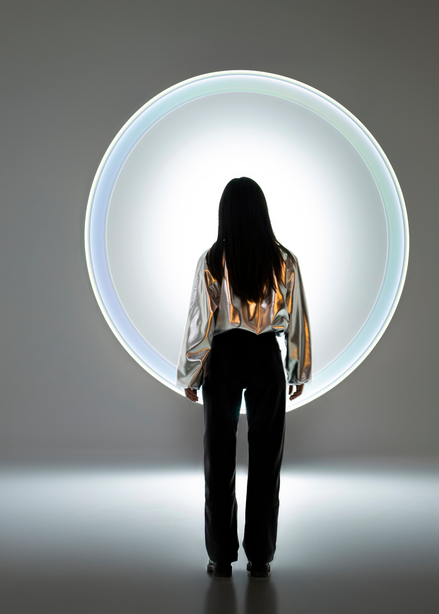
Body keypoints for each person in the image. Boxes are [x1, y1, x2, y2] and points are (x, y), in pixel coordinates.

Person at [177, 176, 311, 579]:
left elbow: (200, 322)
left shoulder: (213, 260)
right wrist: (298, 367)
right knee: (266, 458)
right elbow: (297, 317)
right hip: (266, 357)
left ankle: (220, 558)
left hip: (225, 359)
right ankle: (261, 557)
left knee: (218, 458)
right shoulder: (283, 259)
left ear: (225, 213)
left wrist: (192, 372)